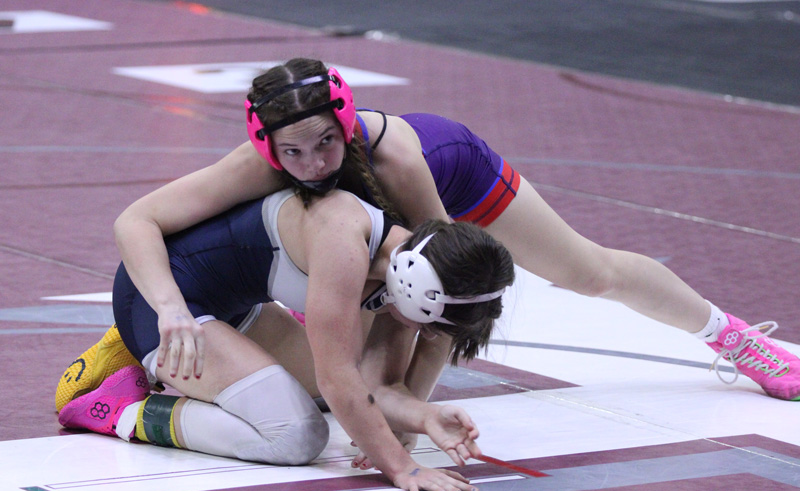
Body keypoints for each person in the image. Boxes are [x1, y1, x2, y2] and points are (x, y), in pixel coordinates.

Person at [118, 55, 790, 402]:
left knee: (585, 271)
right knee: (341, 357)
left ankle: (730, 335)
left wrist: (410, 412)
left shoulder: (398, 159)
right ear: (269, 143)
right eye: (291, 152)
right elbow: (143, 220)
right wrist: (173, 312)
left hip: (450, 172)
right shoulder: (273, 154)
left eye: (322, 145)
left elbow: (447, 294)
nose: (308, 162)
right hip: (372, 227)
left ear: (343, 125)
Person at [56, 184, 516, 491]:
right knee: (296, 435)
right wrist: (402, 468)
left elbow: (371, 389)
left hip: (230, 308)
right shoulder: (345, 245)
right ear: (420, 292)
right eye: (429, 326)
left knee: (320, 398)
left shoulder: (405, 259)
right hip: (160, 302)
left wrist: (427, 416)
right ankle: (122, 412)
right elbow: (342, 382)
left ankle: (153, 357)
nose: (424, 335)